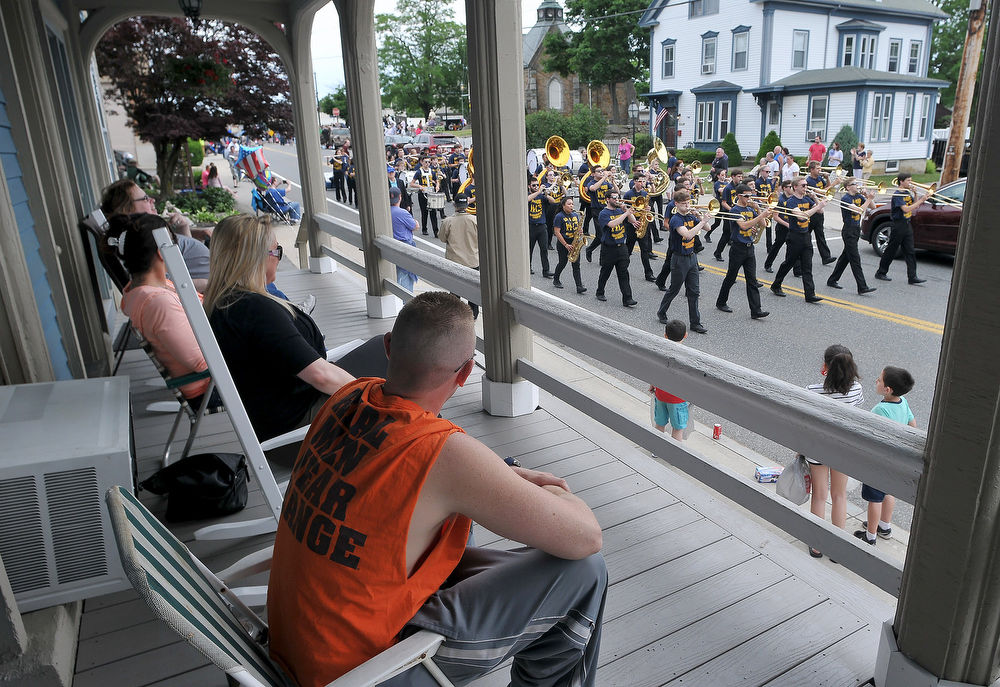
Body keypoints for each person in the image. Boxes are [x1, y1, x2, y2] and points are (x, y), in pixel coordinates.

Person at [267, 292, 606, 687]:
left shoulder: (349, 394)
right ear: (464, 374)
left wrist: (497, 473)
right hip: (362, 673)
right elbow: (586, 538)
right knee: (584, 571)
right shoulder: (440, 453)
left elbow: (433, 465)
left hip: (300, 645)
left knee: (457, 522)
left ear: (388, 347)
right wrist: (558, 492)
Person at [203, 214, 354, 442]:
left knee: (381, 351)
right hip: (299, 430)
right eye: (277, 252)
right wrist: (378, 397)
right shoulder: (255, 309)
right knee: (395, 366)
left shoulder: (225, 302)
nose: (279, 259)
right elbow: (321, 376)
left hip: (276, 415)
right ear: (256, 258)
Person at [110, 213, 213, 408]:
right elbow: (202, 362)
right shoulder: (157, 303)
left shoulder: (141, 289)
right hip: (209, 387)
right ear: (161, 252)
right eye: (175, 243)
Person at [804, 344, 864, 558]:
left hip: (818, 448)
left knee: (819, 496)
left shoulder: (813, 391)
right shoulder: (856, 389)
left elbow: (807, 422)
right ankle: (837, 548)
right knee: (839, 496)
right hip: (843, 449)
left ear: (825, 366)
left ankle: (817, 545)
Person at [100, 179, 211, 291]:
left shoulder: (145, 233)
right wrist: (212, 283)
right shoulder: (141, 243)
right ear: (126, 209)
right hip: (211, 292)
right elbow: (165, 285)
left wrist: (183, 228)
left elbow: (182, 260)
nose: (152, 200)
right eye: (145, 199)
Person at [854, 366, 916, 545]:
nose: (876, 381)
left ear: (887, 389)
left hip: (879, 461)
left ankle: (870, 537)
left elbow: (868, 434)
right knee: (889, 492)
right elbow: (912, 425)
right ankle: (885, 527)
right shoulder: (903, 402)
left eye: (879, 379)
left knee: (875, 500)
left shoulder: (880, 410)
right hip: (895, 460)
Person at [657, 190, 709, 333]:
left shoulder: (691, 216)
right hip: (679, 258)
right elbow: (687, 235)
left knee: (694, 292)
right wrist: (702, 221)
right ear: (676, 204)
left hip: (692, 257)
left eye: (688, 203)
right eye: (684, 204)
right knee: (674, 289)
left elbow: (708, 228)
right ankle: (661, 311)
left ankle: (695, 323)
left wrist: (700, 218)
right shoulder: (676, 219)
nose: (687, 206)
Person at [715, 184, 770, 320]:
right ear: (739, 196)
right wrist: (759, 216)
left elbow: (763, 224)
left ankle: (756, 310)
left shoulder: (751, 209)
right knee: (731, 277)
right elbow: (744, 225)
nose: (749, 198)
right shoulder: (734, 210)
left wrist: (758, 210)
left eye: (750, 195)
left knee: (751, 280)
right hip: (737, 248)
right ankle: (721, 302)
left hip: (749, 247)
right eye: (746, 195)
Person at [770, 178, 828, 303]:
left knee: (807, 266)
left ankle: (810, 294)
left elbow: (820, 211)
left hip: (806, 236)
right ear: (795, 187)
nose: (806, 187)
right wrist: (818, 205)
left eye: (806, 185)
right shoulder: (791, 201)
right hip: (794, 236)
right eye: (803, 185)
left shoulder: (807, 199)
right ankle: (776, 284)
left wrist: (816, 199)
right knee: (788, 263)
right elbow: (802, 217)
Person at [874, 173, 929, 285]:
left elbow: (915, 206)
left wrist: (916, 193)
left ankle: (912, 276)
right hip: (898, 224)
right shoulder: (898, 194)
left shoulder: (907, 192)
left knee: (910, 251)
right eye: (908, 180)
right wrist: (922, 200)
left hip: (907, 224)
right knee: (891, 250)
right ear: (901, 181)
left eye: (911, 180)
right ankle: (881, 272)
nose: (911, 182)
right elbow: (906, 209)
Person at [828, 179, 878, 294]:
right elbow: (858, 211)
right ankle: (862, 287)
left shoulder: (859, 197)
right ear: (848, 187)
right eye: (854, 184)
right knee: (855, 259)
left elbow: (873, 207)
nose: (857, 186)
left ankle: (832, 280)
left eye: (857, 184)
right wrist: (868, 198)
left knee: (845, 257)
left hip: (856, 229)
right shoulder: (846, 199)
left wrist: (867, 197)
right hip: (848, 231)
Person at [438, 193, 480, 317]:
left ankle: (456, 317)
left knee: (455, 294)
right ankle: (473, 317)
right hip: (473, 262)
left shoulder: (448, 221)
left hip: (454, 262)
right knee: (473, 293)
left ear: (454, 205)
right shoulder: (474, 220)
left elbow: (441, 238)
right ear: (467, 205)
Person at [594, 190, 637, 307]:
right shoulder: (603, 213)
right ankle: (600, 291)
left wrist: (627, 212)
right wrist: (625, 213)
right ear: (607, 199)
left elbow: (633, 220)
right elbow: (612, 224)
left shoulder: (619, 210)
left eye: (618, 198)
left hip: (621, 246)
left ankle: (627, 298)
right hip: (609, 248)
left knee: (624, 273)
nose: (617, 200)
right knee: (605, 272)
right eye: (614, 198)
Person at [649, 319, 690, 440]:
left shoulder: (661, 351)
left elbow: (655, 370)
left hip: (661, 393)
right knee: (677, 428)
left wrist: (653, 384)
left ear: (665, 335)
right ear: (685, 335)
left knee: (660, 423)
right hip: (678, 397)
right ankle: (675, 453)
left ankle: (656, 450)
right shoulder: (686, 355)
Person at [623, 175, 655, 282]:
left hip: (641, 224)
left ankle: (648, 273)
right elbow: (626, 210)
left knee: (644, 250)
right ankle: (622, 269)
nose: (642, 183)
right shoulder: (628, 194)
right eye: (640, 181)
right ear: (635, 182)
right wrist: (632, 222)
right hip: (632, 224)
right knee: (628, 249)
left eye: (643, 181)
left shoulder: (645, 194)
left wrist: (648, 209)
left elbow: (647, 209)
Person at [552, 196, 587, 294]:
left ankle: (579, 286)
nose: (571, 206)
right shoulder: (559, 216)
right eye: (569, 204)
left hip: (574, 243)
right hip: (564, 243)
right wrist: (566, 244)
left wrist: (580, 231)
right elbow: (557, 232)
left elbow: (577, 228)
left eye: (572, 204)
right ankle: (556, 279)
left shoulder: (575, 215)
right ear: (563, 206)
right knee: (562, 263)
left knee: (576, 265)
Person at [804, 161, 837, 265]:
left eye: (820, 168)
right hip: (811, 209)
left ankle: (826, 257)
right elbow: (821, 192)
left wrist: (827, 178)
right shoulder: (809, 181)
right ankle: (802, 257)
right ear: (812, 170)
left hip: (819, 208)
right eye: (818, 168)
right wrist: (835, 183)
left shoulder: (819, 178)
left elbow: (826, 187)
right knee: (806, 236)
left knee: (820, 235)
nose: (820, 170)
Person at [584, 166, 618, 262]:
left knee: (606, 235)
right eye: (599, 171)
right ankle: (590, 249)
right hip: (596, 210)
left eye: (602, 171)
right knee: (600, 235)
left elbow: (617, 192)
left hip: (606, 210)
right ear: (593, 174)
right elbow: (593, 189)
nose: (602, 173)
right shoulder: (591, 183)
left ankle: (601, 258)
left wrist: (613, 181)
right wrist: (604, 177)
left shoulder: (606, 183)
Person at [388, 187, 419, 292]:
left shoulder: (385, 211)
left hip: (390, 246)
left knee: (396, 275)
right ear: (400, 197)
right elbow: (415, 226)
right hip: (404, 247)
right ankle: (405, 303)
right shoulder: (402, 213)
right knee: (404, 276)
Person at [712, 170, 743, 262]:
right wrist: (733, 211)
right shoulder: (728, 188)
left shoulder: (740, 187)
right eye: (738, 176)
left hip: (736, 213)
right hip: (728, 213)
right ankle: (718, 252)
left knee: (737, 233)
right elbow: (724, 203)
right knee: (726, 234)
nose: (740, 178)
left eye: (741, 177)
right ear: (733, 177)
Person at [409, 156, 440, 237]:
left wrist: (437, 186)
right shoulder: (419, 172)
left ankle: (436, 231)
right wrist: (420, 187)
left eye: (429, 162)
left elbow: (437, 181)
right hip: (422, 194)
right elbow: (411, 183)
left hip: (431, 193)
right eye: (425, 162)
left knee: (433, 212)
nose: (427, 164)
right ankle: (424, 229)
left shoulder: (432, 171)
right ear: (422, 162)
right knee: (424, 212)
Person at [527, 179, 552, 277]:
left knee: (544, 249)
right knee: (529, 249)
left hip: (542, 227)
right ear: (529, 186)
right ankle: (527, 267)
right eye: (534, 185)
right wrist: (538, 191)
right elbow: (527, 199)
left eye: (537, 185)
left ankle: (546, 271)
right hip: (531, 226)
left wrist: (546, 194)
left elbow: (553, 201)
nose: (536, 187)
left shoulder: (542, 196)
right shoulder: (528, 195)